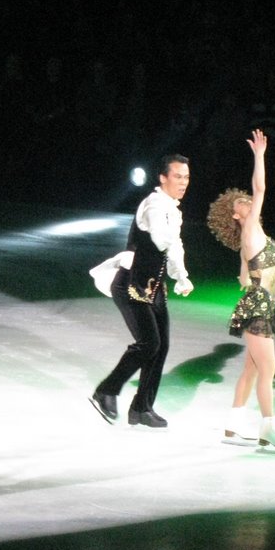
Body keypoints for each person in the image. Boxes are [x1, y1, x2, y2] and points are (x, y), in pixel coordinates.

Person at [89, 155, 195, 427]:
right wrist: (174, 224)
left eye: (186, 177)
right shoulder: (155, 205)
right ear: (163, 177)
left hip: (154, 286)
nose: (183, 182)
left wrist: (181, 277)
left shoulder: (172, 209)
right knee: (150, 343)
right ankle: (106, 390)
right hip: (131, 284)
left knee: (161, 347)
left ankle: (141, 408)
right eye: (178, 176)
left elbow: (176, 247)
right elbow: (162, 240)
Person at [206, 129, 275, 450]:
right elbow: (261, 187)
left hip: (262, 306)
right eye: (240, 202)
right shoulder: (251, 227)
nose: (246, 199)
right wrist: (259, 155)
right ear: (236, 215)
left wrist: (250, 285)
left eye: (246, 199)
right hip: (259, 308)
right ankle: (269, 428)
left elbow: (244, 277)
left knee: (253, 368)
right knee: (268, 368)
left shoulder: (253, 239)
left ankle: (233, 424)